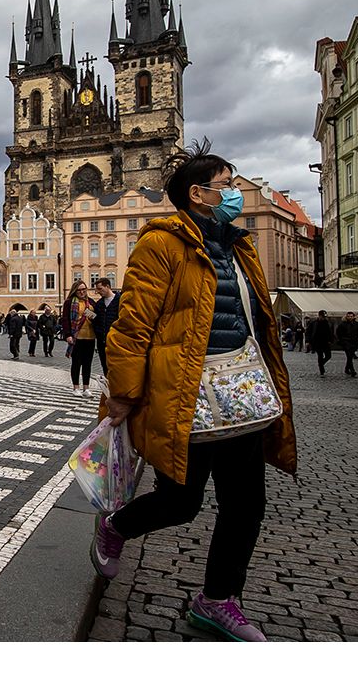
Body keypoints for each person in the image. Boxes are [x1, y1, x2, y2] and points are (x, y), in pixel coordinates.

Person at [92, 141, 295, 642]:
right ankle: (117, 526)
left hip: (242, 392)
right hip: (186, 391)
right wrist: (123, 393)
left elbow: (254, 319)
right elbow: (132, 323)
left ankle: (218, 599)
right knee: (181, 502)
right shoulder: (160, 244)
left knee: (246, 504)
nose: (234, 193)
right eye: (226, 186)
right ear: (198, 194)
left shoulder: (239, 245)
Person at [62, 281, 97, 397]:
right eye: (79, 290)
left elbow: (96, 317)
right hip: (76, 336)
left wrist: (92, 317)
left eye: (84, 289)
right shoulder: (69, 302)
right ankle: (76, 387)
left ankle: (86, 388)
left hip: (90, 336)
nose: (82, 292)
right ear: (75, 291)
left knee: (87, 363)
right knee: (76, 363)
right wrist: (67, 335)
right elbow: (65, 319)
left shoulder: (91, 302)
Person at [92, 277, 122, 374]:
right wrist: (98, 332)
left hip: (116, 342)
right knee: (105, 368)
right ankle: (107, 388)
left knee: (118, 369)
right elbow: (95, 321)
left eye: (100, 289)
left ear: (108, 286)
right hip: (102, 342)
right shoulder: (99, 304)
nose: (98, 292)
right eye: (97, 289)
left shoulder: (120, 301)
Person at [308, 310, 333, 376]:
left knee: (328, 356)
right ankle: (321, 369)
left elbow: (330, 332)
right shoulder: (314, 323)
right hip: (317, 342)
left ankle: (321, 364)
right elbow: (309, 332)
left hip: (326, 342)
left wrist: (331, 340)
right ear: (319, 316)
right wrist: (308, 341)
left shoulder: (327, 323)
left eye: (324, 317)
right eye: (322, 317)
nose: (324, 318)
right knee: (320, 355)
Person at [336, 312, 358, 377]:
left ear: (353, 317)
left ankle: (346, 368)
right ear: (346, 317)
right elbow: (338, 332)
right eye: (349, 316)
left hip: (354, 342)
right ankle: (352, 370)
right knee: (349, 355)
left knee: (350, 356)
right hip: (346, 342)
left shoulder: (356, 324)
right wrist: (342, 340)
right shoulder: (343, 324)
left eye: (351, 316)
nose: (350, 317)